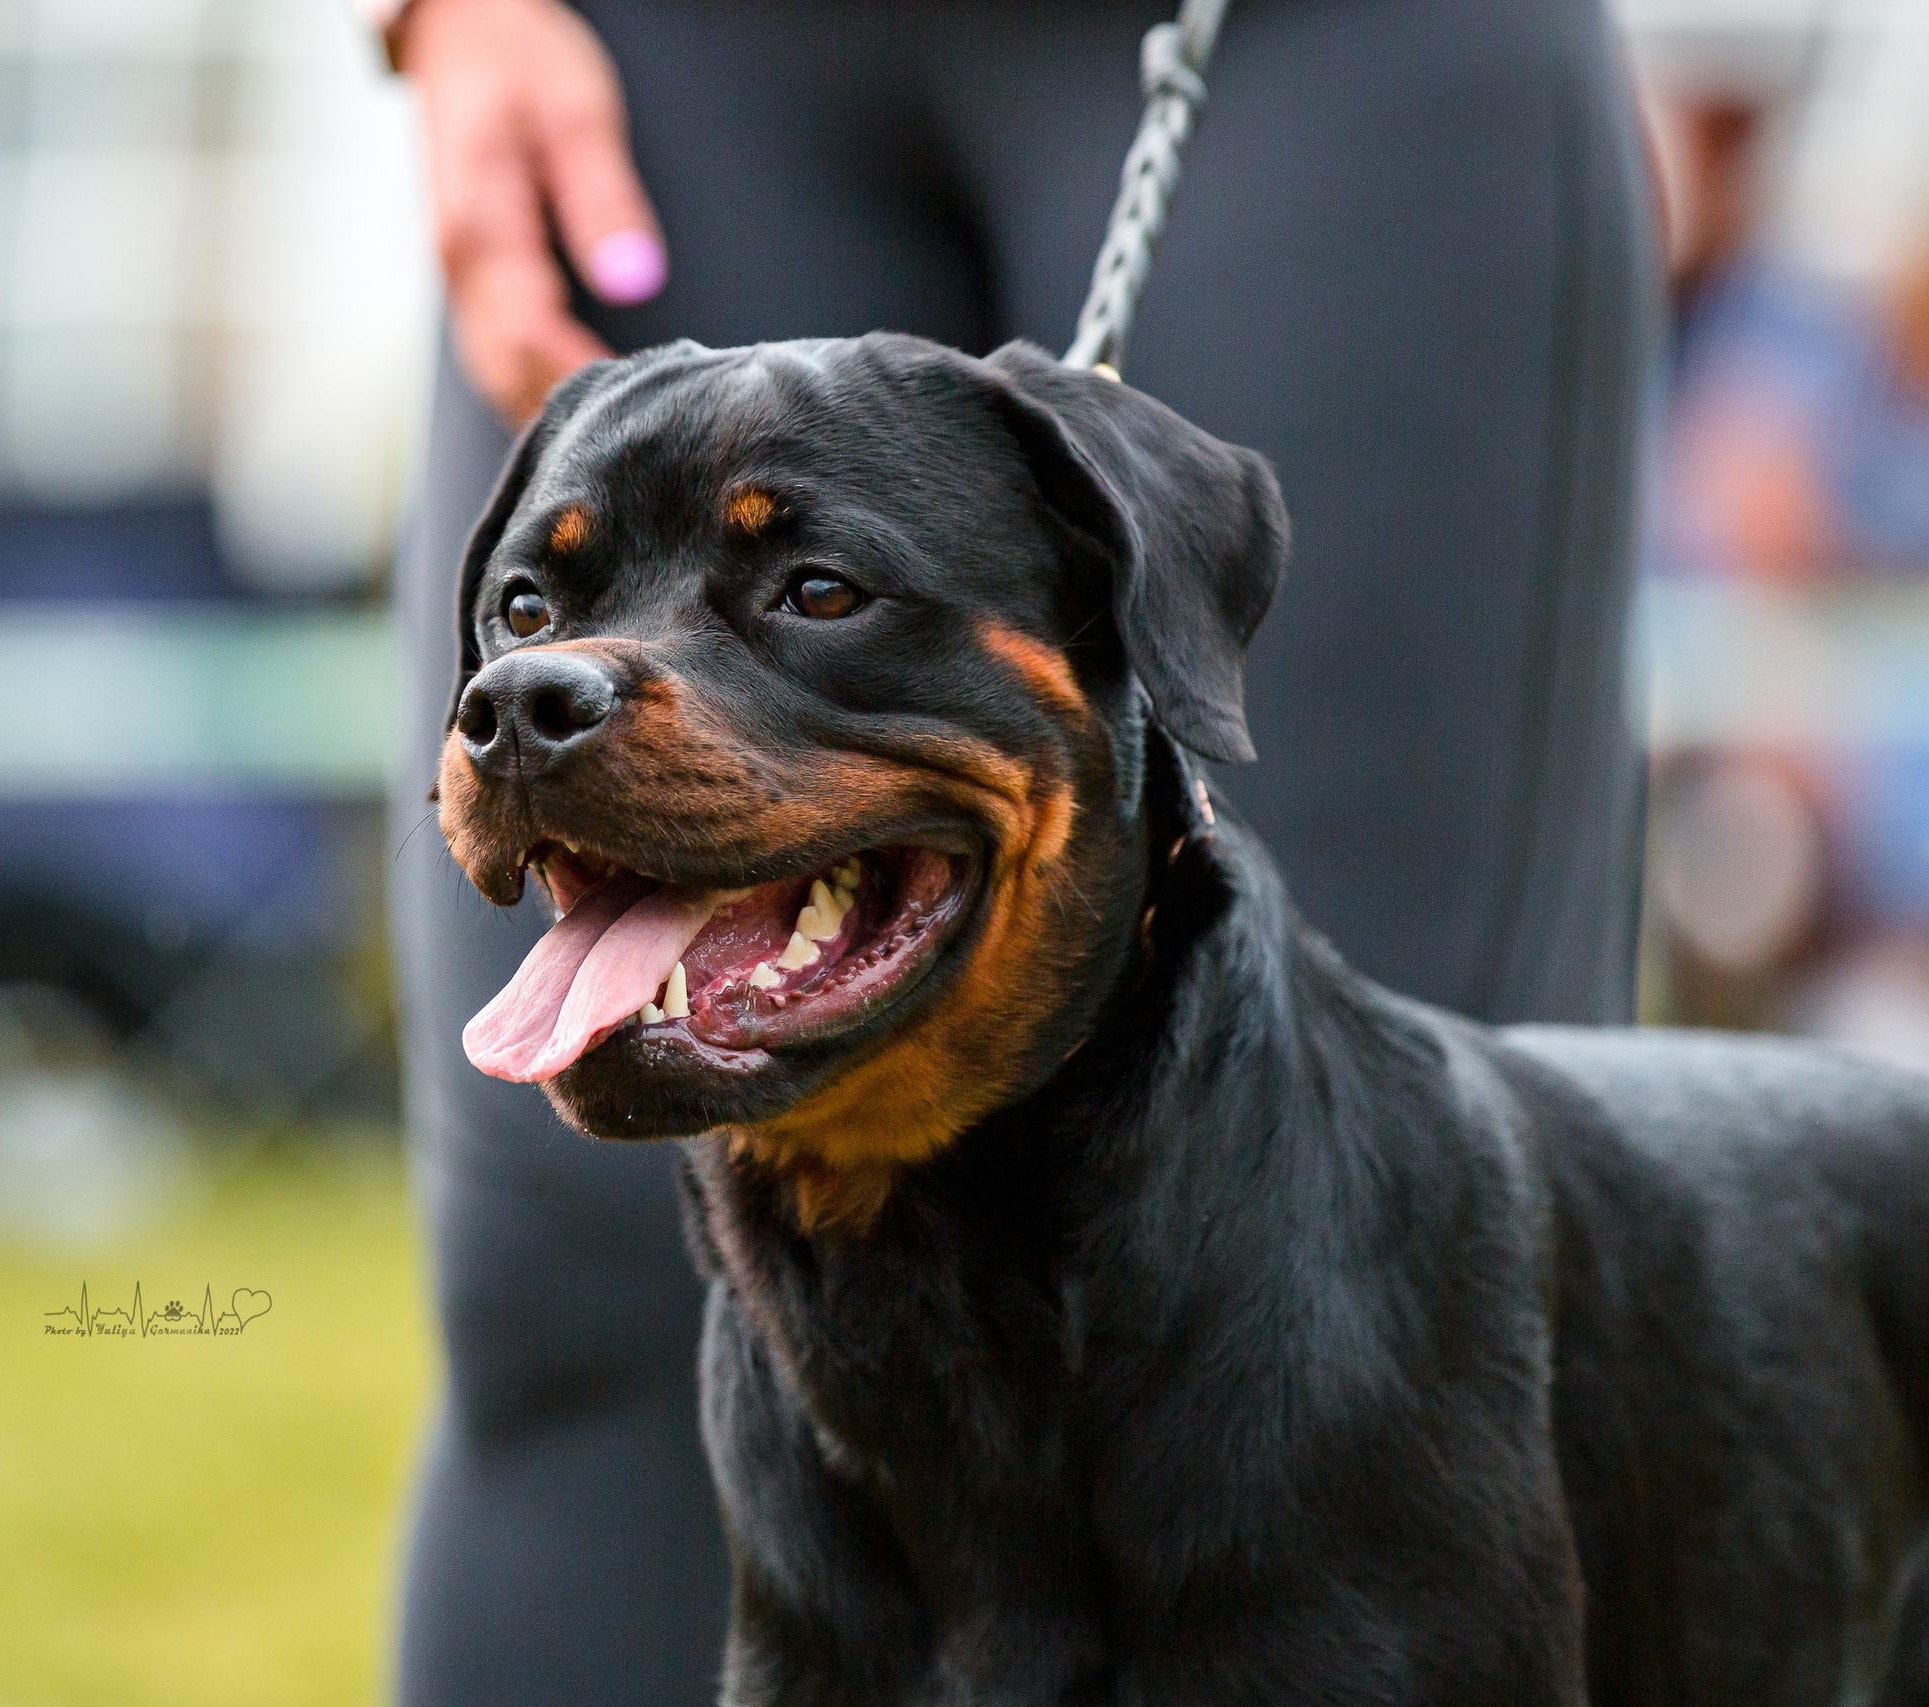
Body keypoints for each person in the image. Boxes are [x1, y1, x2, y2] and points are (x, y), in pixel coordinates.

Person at [379, 0, 1655, 1699]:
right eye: (530, 618)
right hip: (662, 48)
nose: (538, 680)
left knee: (1404, 1240)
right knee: (582, 1300)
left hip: (1318, 47)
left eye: (812, 591)